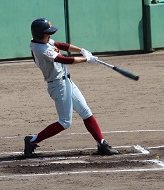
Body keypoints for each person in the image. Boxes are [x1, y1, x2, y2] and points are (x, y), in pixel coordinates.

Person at [24, 18, 119, 158]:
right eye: (47, 33)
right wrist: (87, 60)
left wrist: (82, 51)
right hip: (57, 86)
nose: (49, 36)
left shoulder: (43, 40)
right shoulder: (40, 48)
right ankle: (32, 140)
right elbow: (64, 60)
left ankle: (102, 143)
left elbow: (60, 44)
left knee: (86, 112)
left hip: (67, 81)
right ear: (39, 35)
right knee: (65, 122)